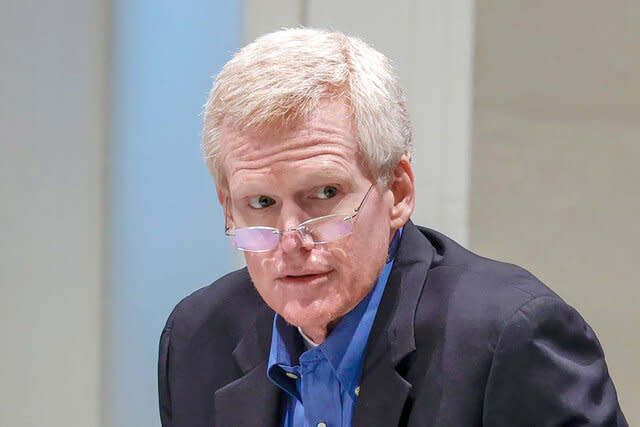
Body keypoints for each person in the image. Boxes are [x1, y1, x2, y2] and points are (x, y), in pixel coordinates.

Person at [158, 28, 627, 427]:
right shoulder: (197, 338)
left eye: (324, 194)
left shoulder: (511, 338)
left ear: (398, 191)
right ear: (227, 209)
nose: (291, 239)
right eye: (260, 202)